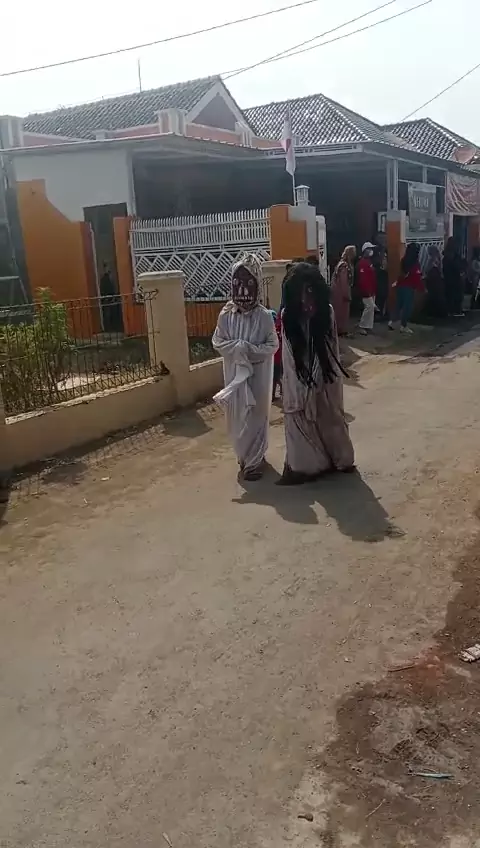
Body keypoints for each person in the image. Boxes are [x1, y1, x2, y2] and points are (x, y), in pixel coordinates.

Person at [278, 262, 355, 485]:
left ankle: (340, 459)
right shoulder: (287, 316)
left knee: (330, 415)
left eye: (310, 292)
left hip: (325, 375)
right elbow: (289, 357)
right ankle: (311, 464)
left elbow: (330, 351)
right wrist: (302, 386)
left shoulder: (326, 313)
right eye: (300, 294)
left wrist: (319, 380)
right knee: (300, 417)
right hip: (298, 379)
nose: (305, 300)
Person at [212, 254, 278, 481]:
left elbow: (272, 345)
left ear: (257, 285)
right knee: (237, 416)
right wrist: (236, 349)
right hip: (233, 376)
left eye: (249, 283)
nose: (242, 289)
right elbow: (217, 341)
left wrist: (249, 351)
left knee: (256, 416)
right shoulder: (225, 315)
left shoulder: (264, 317)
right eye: (237, 283)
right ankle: (243, 456)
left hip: (258, 377)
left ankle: (254, 461)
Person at [388, 242, 424, 334]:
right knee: (407, 307)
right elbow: (416, 277)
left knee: (398, 305)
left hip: (401, 285)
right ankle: (403, 326)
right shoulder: (415, 263)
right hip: (409, 287)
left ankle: (392, 322)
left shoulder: (404, 260)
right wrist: (421, 288)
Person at [330, 245, 356, 336]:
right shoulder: (344, 266)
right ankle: (340, 330)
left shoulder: (341, 264)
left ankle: (339, 329)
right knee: (342, 312)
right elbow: (343, 281)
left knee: (339, 311)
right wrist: (346, 294)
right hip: (341, 293)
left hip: (338, 291)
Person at [357, 242, 377, 335]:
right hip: (366, 291)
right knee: (369, 307)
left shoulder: (369, 262)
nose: (371, 251)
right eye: (369, 249)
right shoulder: (362, 263)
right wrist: (366, 291)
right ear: (365, 251)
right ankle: (362, 326)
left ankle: (368, 326)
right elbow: (362, 279)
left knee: (371, 309)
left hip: (372, 290)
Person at [443, 237, 464, 317]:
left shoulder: (446, 255)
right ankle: (456, 311)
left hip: (448, 278)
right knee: (456, 295)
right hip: (455, 278)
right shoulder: (453, 256)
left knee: (450, 295)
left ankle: (451, 311)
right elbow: (457, 266)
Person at [424, 245, 447, 318]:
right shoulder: (438, 259)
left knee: (434, 297)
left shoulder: (432, 260)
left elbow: (428, 270)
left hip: (433, 281)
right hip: (437, 281)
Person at [373, 247, 389, 320]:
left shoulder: (383, 259)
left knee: (381, 301)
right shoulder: (381, 260)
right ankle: (378, 315)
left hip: (381, 284)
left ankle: (379, 315)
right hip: (381, 284)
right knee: (380, 301)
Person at [272, 310, 283, 401]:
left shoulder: (275, 332)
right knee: (276, 377)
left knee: (275, 378)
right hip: (277, 358)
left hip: (276, 358)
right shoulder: (277, 331)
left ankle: (272, 395)